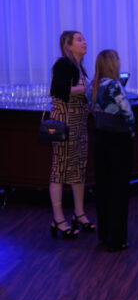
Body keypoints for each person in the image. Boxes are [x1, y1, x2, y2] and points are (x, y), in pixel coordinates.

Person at [86, 50, 135, 252]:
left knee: (104, 188)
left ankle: (104, 235)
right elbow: (127, 112)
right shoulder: (115, 86)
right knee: (119, 190)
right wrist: (131, 131)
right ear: (113, 65)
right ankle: (117, 239)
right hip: (118, 140)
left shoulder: (92, 86)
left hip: (99, 138)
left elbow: (92, 110)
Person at [49, 30, 94, 239]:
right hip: (65, 123)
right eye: (79, 39)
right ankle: (58, 219)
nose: (84, 42)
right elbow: (58, 90)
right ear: (68, 45)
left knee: (78, 168)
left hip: (80, 124)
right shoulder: (62, 65)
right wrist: (88, 89)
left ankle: (80, 214)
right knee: (60, 168)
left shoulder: (80, 67)